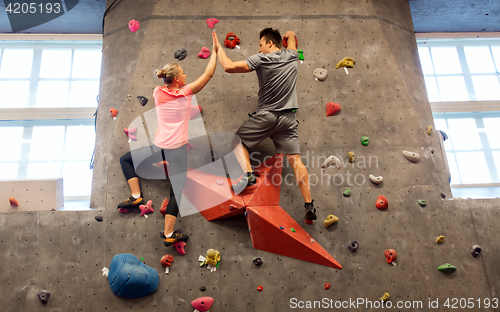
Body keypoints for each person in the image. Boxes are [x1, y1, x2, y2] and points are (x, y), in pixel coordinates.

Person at [117, 31, 218, 246]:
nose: (185, 76)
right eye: (183, 73)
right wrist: (215, 52)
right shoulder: (185, 94)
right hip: (178, 151)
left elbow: (167, 83)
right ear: (178, 79)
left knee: (126, 160)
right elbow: (208, 75)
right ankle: (168, 234)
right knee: (176, 192)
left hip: (160, 147)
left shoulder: (157, 92)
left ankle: (136, 196)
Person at [213, 28, 317, 222]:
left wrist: (219, 49)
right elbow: (292, 38)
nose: (259, 49)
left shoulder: (262, 59)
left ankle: (248, 174)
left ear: (270, 43)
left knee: (237, 141)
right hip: (288, 120)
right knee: (296, 161)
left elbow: (228, 66)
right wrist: (289, 34)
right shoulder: (292, 56)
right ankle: (309, 203)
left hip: (267, 116)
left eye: (261, 45)